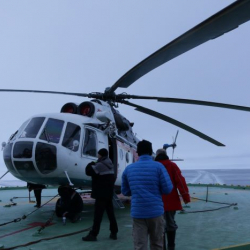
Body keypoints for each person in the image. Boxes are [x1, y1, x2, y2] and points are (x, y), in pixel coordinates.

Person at [121, 140, 173, 250]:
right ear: (151, 152)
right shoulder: (159, 167)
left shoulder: (129, 169)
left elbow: (125, 191)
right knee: (157, 244)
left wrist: (137, 190)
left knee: (140, 246)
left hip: (138, 213)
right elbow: (168, 189)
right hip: (156, 212)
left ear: (138, 152)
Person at [155, 148, 191, 250]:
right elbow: (180, 181)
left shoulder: (154, 166)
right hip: (171, 201)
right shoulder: (172, 165)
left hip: (156, 202)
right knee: (170, 223)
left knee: (159, 226)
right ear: (166, 155)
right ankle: (171, 247)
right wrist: (185, 197)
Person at [82, 148, 118, 241]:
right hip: (109, 193)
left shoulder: (100, 165)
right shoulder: (110, 164)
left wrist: (91, 163)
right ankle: (114, 232)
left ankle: (93, 234)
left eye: (98, 155)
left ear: (100, 155)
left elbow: (88, 171)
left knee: (98, 215)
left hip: (101, 193)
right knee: (110, 214)